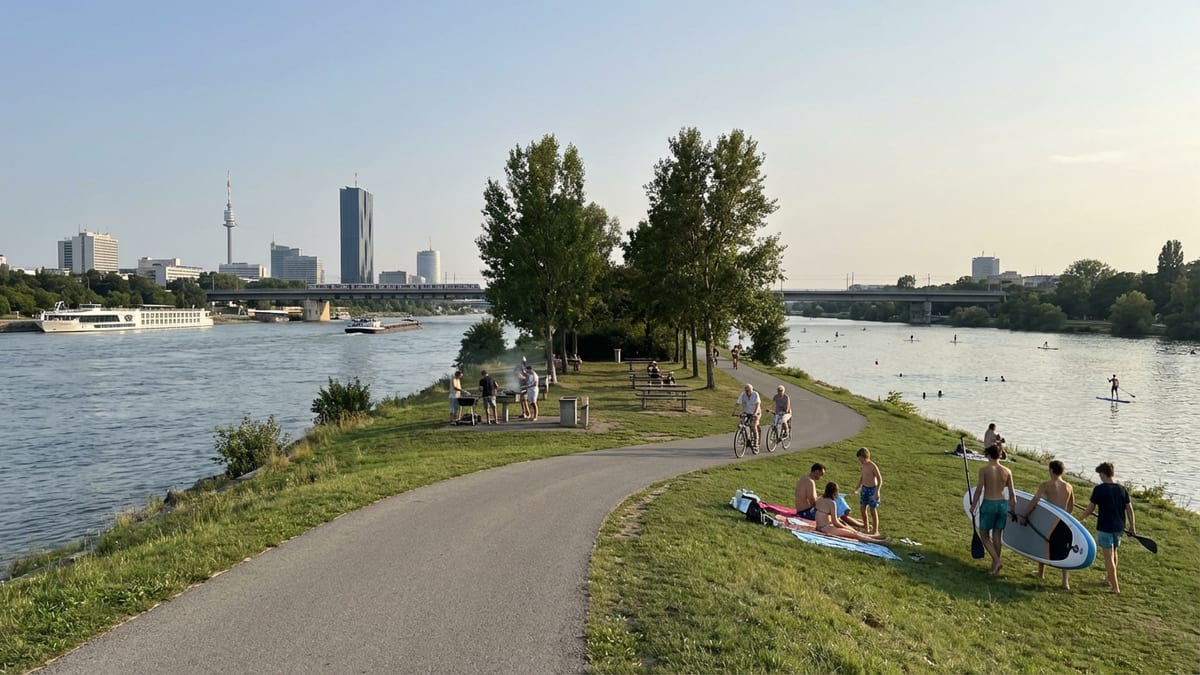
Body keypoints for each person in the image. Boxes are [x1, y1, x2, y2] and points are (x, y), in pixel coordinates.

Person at [1078, 462, 1136, 594]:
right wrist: (1132, 526)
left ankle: (1115, 588)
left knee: (1108, 557)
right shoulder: (1122, 489)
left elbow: (1090, 508)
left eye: (1100, 475)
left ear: (1103, 474)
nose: (1099, 477)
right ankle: (1109, 579)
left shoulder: (1099, 489)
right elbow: (1129, 509)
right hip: (1119, 527)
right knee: (1114, 552)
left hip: (1105, 527)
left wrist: (1081, 518)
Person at [1020, 460, 1074, 589]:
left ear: (1051, 470)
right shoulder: (1069, 486)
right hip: (1064, 520)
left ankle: (1041, 573)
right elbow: (1071, 507)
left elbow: (1035, 501)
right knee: (1064, 549)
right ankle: (1065, 582)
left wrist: (1024, 514)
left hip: (1051, 520)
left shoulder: (1046, 485)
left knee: (1043, 543)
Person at [969, 445, 1017, 575]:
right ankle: (994, 567)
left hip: (989, 504)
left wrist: (973, 506)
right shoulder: (1007, 471)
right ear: (1000, 455)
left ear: (988, 455)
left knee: (984, 536)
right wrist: (1013, 509)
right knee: (997, 535)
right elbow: (1012, 493)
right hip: (1002, 504)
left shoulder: (984, 470)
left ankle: (997, 561)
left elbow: (979, 489)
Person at [814, 482, 891, 543]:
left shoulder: (820, 499)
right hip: (825, 528)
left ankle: (873, 537)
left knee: (850, 529)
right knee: (853, 533)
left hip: (820, 526)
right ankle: (878, 541)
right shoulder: (831, 503)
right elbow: (835, 522)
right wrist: (847, 528)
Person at [853, 447, 883, 535]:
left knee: (873, 510)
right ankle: (866, 528)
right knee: (862, 508)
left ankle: (875, 530)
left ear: (865, 457)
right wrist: (857, 488)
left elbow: (880, 479)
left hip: (873, 489)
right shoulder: (862, 466)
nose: (860, 461)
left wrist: (877, 491)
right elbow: (862, 478)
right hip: (864, 488)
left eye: (861, 459)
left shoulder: (872, 466)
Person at [733, 382, 762, 448]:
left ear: (752, 390)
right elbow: (738, 403)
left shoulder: (755, 394)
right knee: (742, 424)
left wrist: (755, 413)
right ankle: (746, 438)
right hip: (746, 412)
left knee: (753, 426)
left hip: (756, 413)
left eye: (748, 390)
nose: (747, 392)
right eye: (746, 390)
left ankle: (756, 442)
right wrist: (734, 412)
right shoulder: (743, 394)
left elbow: (758, 404)